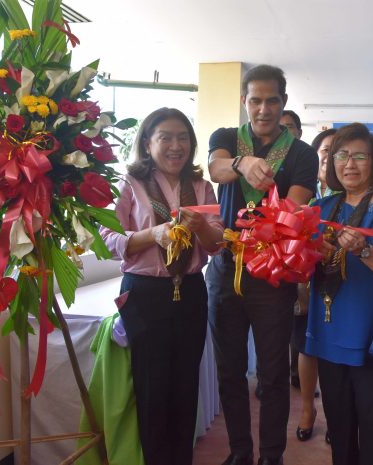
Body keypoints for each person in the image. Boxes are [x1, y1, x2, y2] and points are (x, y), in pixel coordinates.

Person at [207, 64, 318, 465]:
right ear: (245, 102)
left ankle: (272, 456)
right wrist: (241, 164)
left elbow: (295, 208)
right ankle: (240, 452)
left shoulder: (303, 154)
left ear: (283, 102)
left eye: (272, 100)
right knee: (229, 372)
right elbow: (215, 167)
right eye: (255, 100)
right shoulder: (226, 138)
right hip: (224, 268)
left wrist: (270, 194)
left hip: (272, 273)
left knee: (272, 377)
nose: (264, 109)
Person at [101, 107, 224, 465]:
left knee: (185, 385)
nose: (175, 146)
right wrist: (151, 234)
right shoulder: (129, 184)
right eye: (165, 137)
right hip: (145, 294)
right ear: (147, 142)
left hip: (190, 292)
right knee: (152, 387)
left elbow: (217, 244)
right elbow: (105, 238)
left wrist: (200, 227)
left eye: (182, 137)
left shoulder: (201, 186)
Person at [305, 123, 373, 465]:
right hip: (327, 333)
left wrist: (365, 251)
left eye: (359, 156)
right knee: (339, 433)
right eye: (341, 155)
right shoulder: (322, 208)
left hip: (371, 339)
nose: (349, 163)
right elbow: (302, 269)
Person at [291, 127, 337, 443]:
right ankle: (308, 409)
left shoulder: (353, 198)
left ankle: (336, 417)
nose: (332, 158)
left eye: (340, 151)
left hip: (339, 285)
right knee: (306, 347)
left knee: (333, 351)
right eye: (326, 151)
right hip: (304, 284)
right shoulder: (301, 194)